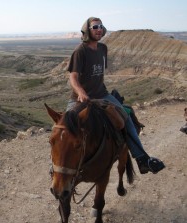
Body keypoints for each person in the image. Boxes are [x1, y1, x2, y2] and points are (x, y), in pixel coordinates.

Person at [66, 17, 165, 174]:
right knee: (64, 128)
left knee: (126, 116)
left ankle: (141, 159)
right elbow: (73, 77)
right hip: (81, 98)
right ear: (87, 30)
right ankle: (59, 169)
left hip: (102, 94)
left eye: (101, 26)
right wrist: (81, 92)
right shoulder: (80, 51)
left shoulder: (103, 49)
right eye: (95, 27)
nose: (99, 29)